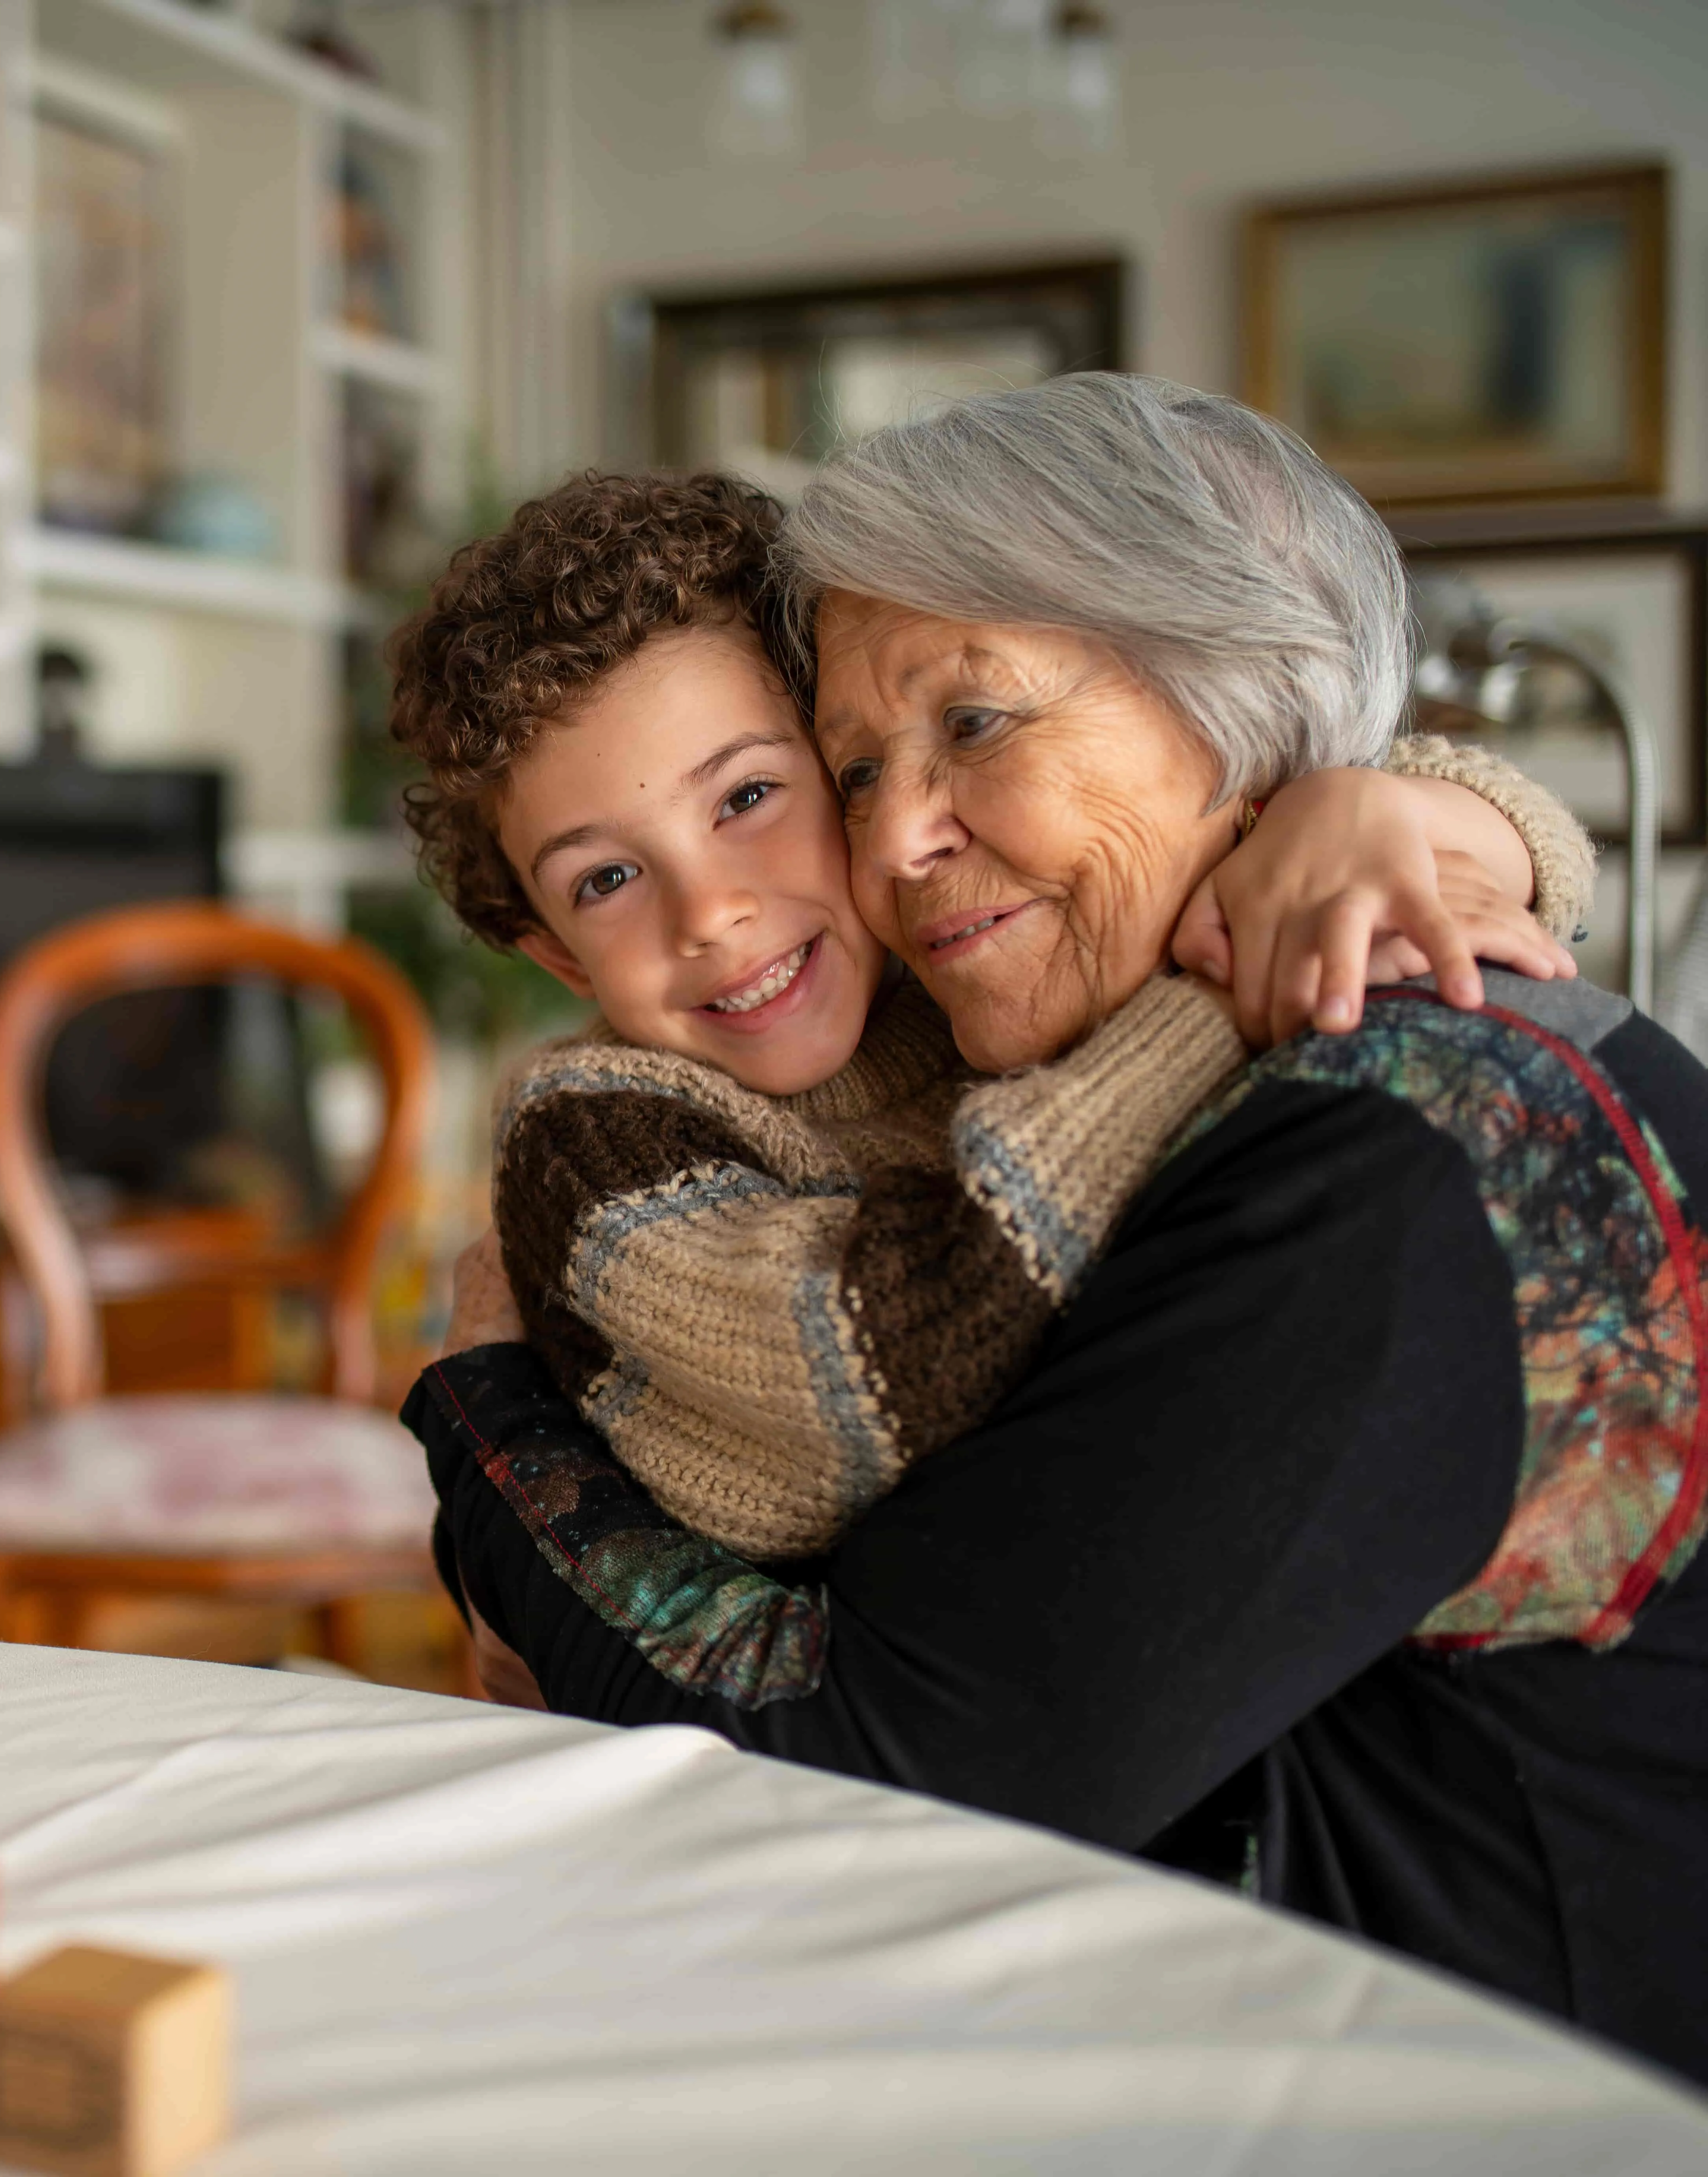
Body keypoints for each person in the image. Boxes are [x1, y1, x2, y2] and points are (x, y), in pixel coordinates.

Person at [406, 373, 1708, 2085]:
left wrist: (487, 1401)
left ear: (1231, 699)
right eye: (855, 764)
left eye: (978, 723)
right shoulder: (1072, 1056)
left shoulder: (1388, 1139)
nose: (892, 839)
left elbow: (865, 1750)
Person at [385, 467, 1585, 1562]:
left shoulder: (963, 983)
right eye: (605, 879)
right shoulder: (596, 1137)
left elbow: (1537, 846)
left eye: (748, 796)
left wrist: (1359, 811)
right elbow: (888, 1372)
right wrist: (1223, 976)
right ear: (560, 959)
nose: (710, 913)